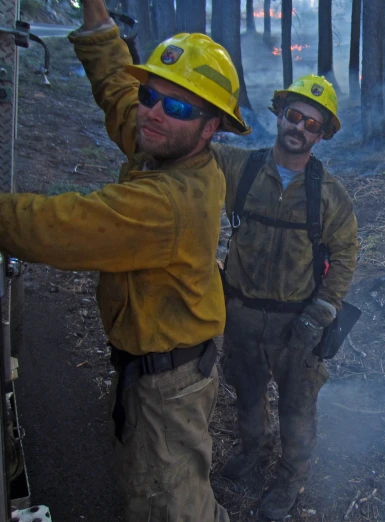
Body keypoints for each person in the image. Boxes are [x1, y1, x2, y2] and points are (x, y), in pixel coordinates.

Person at [0, 0, 250, 518]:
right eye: (152, 95)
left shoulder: (169, 203)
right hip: (155, 368)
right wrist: (97, 18)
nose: (154, 112)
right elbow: (119, 93)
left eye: (178, 107)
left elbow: (56, 227)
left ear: (212, 129)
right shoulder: (167, 148)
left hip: (168, 391)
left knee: (171, 507)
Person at [212, 75, 358, 520]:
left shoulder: (329, 195)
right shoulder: (240, 168)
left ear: (322, 134)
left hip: (298, 325)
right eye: (293, 116)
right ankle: (253, 454)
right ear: (279, 116)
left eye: (311, 124)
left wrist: (322, 310)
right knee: (248, 394)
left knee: (297, 408)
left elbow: (347, 252)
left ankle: (290, 478)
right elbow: (191, 151)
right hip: (241, 313)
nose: (300, 127)